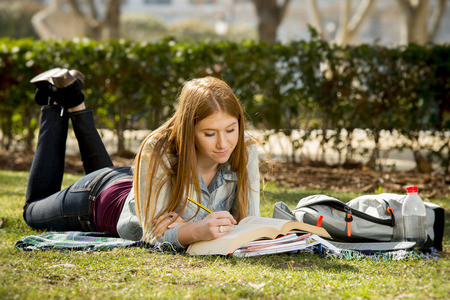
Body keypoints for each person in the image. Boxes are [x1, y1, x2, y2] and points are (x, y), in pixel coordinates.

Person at [23, 68, 261, 252]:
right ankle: (55, 103)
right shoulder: (158, 151)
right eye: (210, 134)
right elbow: (151, 234)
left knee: (105, 170)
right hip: (96, 199)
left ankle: (74, 99)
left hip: (133, 183)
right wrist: (193, 230)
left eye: (231, 129)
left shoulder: (244, 148)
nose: (223, 143)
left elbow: (250, 222)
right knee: (32, 210)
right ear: (189, 130)